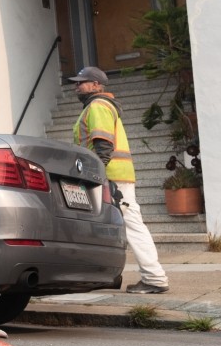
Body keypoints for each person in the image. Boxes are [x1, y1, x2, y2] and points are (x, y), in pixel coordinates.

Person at [69, 66, 170, 294]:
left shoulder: (98, 106)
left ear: (96, 85)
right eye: (76, 82)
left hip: (111, 177)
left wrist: (95, 174)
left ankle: (154, 278)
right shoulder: (96, 107)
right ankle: (107, 276)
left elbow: (103, 145)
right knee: (102, 227)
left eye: (81, 82)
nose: (76, 86)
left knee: (132, 225)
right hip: (110, 176)